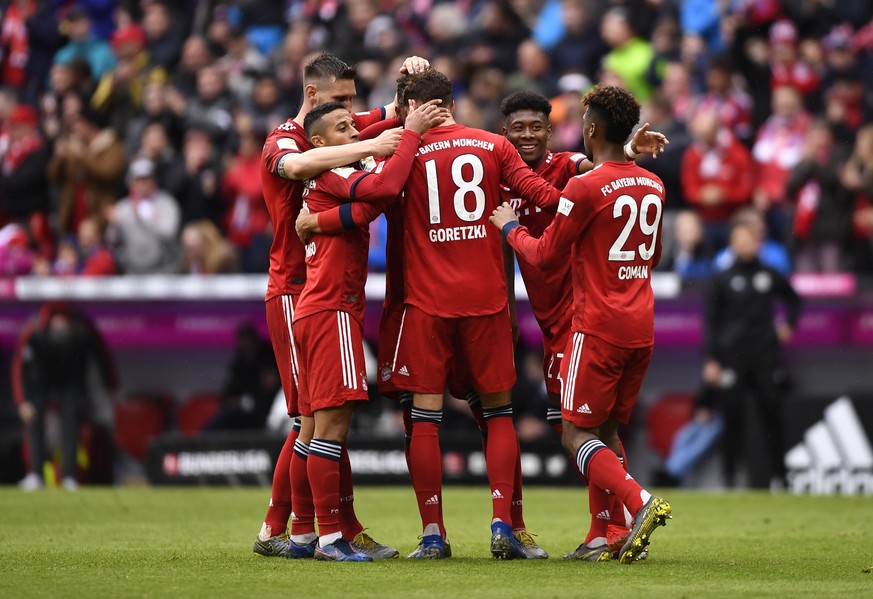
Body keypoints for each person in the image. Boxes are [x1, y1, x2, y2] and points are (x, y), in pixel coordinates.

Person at [385, 68, 570, 560]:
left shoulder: (399, 150)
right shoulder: (493, 145)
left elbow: (377, 195)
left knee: (424, 420)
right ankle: (502, 526)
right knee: (500, 413)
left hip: (427, 303)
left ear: (413, 107)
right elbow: (545, 196)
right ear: (451, 101)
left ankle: (431, 534)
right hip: (487, 302)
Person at [253, 51, 429, 559]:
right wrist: (375, 145)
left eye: (354, 104)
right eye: (343, 104)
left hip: (323, 291)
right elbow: (305, 164)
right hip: (296, 289)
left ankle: (326, 528)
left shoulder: (340, 124)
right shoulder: (287, 139)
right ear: (313, 96)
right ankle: (289, 526)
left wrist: (408, 77)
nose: (355, 113)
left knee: (317, 418)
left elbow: (395, 114)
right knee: (309, 419)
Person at [490, 84, 672, 564]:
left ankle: (634, 505)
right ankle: (606, 535)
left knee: (574, 433)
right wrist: (630, 150)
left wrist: (510, 227)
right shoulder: (654, 184)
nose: (528, 136)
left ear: (577, 129)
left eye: (537, 127)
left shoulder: (573, 174)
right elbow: (621, 188)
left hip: (589, 322)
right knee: (603, 431)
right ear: (503, 135)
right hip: (637, 320)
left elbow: (549, 250)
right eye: (518, 129)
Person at [293, 98, 445, 561]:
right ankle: (330, 538)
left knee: (313, 427)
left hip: (317, 309)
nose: (354, 133)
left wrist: (318, 220)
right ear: (318, 143)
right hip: (332, 310)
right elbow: (382, 189)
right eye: (343, 128)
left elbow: (367, 206)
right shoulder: (332, 174)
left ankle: (302, 534)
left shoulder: (333, 177)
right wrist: (412, 132)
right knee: (332, 427)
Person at [703, 217, 801, 488]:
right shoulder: (720, 278)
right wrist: (711, 359)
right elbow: (710, 322)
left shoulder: (769, 274)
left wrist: (788, 325)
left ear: (758, 242)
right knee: (732, 418)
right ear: (732, 243)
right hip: (731, 358)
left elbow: (794, 300)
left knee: (772, 416)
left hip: (765, 356)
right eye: (741, 239)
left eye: (751, 239)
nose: (746, 244)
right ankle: (730, 478)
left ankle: (781, 479)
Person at [11, 301, 118, 491]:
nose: (60, 326)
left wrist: (110, 385)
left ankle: (69, 476)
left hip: (71, 379)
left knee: (71, 422)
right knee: (34, 419)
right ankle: (35, 474)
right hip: (40, 379)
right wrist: (21, 402)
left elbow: (102, 355)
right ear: (49, 322)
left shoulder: (83, 328)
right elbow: (18, 366)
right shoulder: (34, 329)